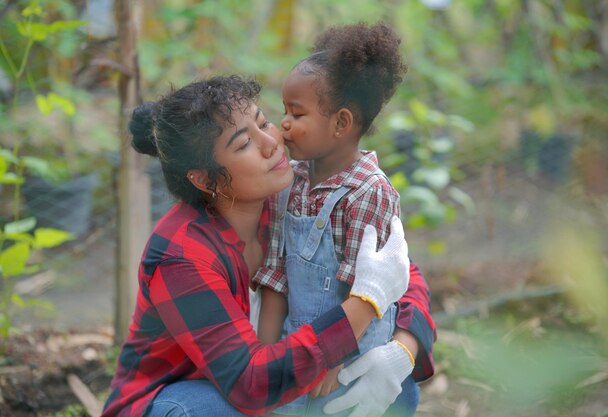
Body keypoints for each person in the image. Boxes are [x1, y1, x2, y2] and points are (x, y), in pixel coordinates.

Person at [101, 75, 412, 417]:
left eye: (264, 122)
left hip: (274, 389)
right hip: (194, 398)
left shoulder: (295, 197)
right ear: (204, 179)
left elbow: (394, 268)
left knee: (398, 388)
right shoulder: (181, 255)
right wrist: (364, 305)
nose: (271, 143)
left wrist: (405, 350)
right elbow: (251, 384)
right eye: (243, 144)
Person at [252, 22, 435, 417]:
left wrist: (330, 362)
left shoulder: (369, 192)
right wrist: (264, 363)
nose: (283, 123)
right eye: (284, 110)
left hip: (351, 363)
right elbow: (275, 278)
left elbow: (361, 295)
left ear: (341, 124)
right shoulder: (291, 183)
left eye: (296, 113)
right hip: (296, 351)